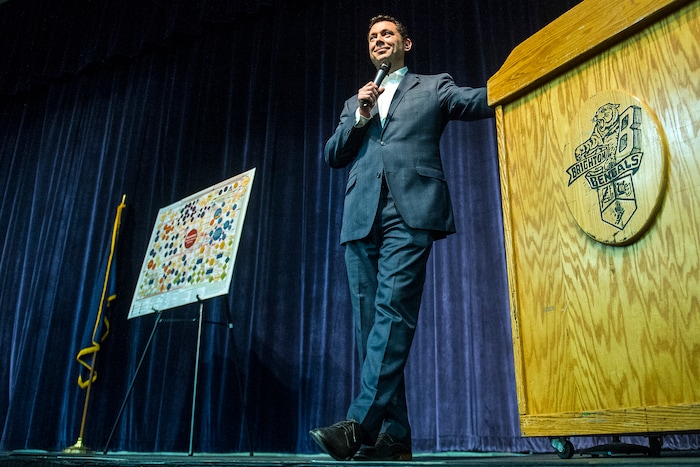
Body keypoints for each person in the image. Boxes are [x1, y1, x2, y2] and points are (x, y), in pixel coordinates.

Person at [309, 15, 494, 461]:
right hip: (360, 218)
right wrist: (359, 115)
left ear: (406, 42)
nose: (379, 40)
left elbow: (476, 100)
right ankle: (395, 436)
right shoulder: (357, 102)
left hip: (410, 210)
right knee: (370, 327)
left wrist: (525, 81)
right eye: (373, 37)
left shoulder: (432, 86)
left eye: (387, 34)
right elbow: (333, 155)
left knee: (392, 314)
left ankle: (359, 426)